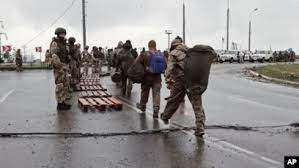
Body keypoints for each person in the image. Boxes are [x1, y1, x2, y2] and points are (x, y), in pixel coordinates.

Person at [160, 36, 206, 137]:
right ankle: (200, 128)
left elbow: (169, 68)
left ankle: (165, 117)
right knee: (197, 103)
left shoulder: (173, 53)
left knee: (174, 100)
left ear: (173, 45)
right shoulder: (190, 52)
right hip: (193, 80)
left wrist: (167, 79)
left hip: (181, 80)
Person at [136, 40, 165, 118]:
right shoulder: (160, 54)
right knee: (156, 93)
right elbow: (164, 65)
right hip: (157, 78)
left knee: (145, 92)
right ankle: (156, 109)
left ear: (148, 46)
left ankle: (142, 106)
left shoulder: (144, 54)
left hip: (146, 77)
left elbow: (137, 64)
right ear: (155, 46)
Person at [49, 27, 71, 110]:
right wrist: (60, 66)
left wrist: (68, 59)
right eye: (61, 33)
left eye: (64, 33)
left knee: (65, 84)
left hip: (64, 66)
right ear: (57, 34)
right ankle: (60, 103)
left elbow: (66, 54)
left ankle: (63, 101)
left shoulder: (64, 43)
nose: (63, 35)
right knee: (60, 85)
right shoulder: (55, 43)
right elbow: (54, 56)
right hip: (59, 67)